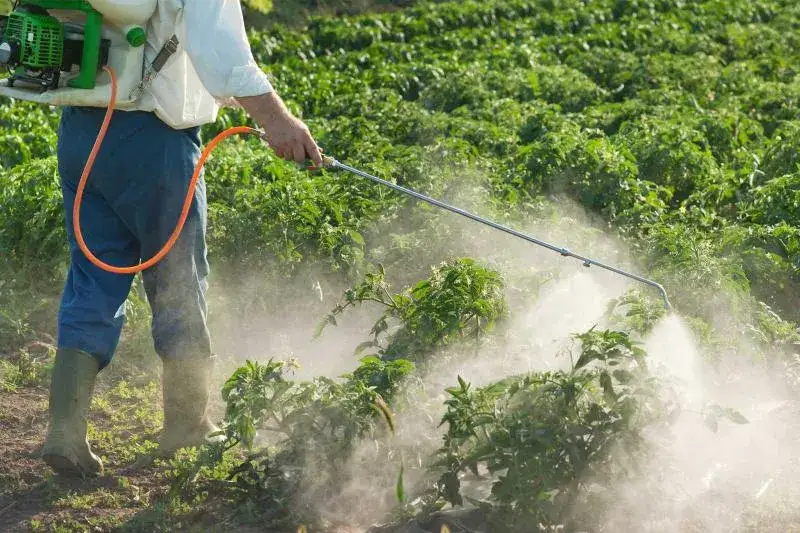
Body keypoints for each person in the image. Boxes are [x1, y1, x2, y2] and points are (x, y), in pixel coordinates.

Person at [39, 0, 323, 478]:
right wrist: (277, 119)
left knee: (92, 277)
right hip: (156, 143)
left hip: (82, 133)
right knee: (178, 279)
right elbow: (223, 53)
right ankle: (187, 425)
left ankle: (64, 432)